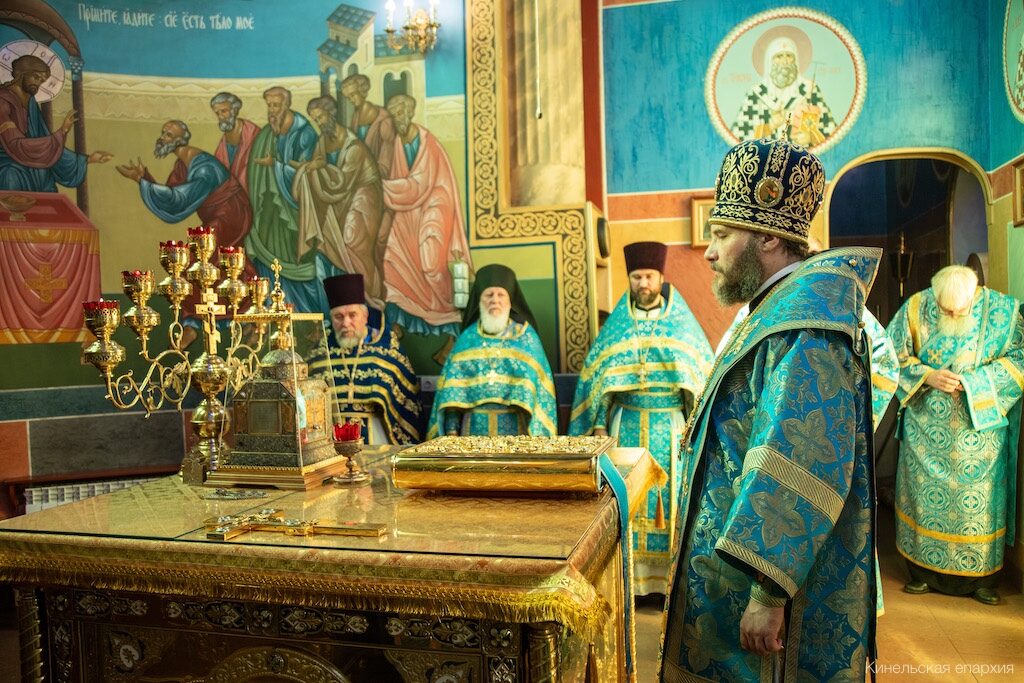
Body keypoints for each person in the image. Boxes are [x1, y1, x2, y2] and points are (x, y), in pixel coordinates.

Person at [661, 137, 878, 682]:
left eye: (721, 234)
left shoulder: (804, 325)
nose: (708, 253)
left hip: (761, 584)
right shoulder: (778, 308)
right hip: (733, 573)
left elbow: (801, 458)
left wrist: (768, 592)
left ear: (769, 237)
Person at [569, 240, 712, 596]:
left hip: (669, 424)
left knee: (671, 498)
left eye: (648, 276)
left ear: (660, 278)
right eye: (636, 277)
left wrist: (694, 424)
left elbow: (699, 379)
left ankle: (666, 584)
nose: (643, 283)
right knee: (625, 501)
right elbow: (597, 379)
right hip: (627, 423)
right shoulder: (618, 325)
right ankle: (631, 583)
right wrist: (598, 423)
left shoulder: (682, 323)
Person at [887, 265, 1024, 605]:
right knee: (924, 501)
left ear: (974, 297)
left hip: (980, 437)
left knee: (977, 509)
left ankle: (983, 579)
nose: (950, 315)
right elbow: (889, 356)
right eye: (944, 309)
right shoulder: (916, 307)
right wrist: (926, 375)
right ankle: (921, 572)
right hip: (925, 433)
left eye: (958, 311)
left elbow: (1020, 358)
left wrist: (976, 383)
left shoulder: (1004, 312)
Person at [116, 120, 253, 347]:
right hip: (218, 216)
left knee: (195, 260)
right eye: (163, 133)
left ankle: (203, 323)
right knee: (217, 264)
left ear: (181, 140)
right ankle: (218, 320)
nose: (163, 138)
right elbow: (171, 197)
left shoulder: (203, 166)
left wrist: (141, 181)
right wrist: (146, 178)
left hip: (231, 214)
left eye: (169, 135)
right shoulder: (182, 164)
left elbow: (178, 200)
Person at [427, 264, 556, 438]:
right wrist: (451, 432)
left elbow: (540, 396)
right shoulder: (467, 340)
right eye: (489, 295)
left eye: (501, 295)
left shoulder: (527, 338)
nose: (495, 300)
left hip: (517, 434)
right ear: (479, 301)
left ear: (510, 301)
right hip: (472, 434)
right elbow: (450, 397)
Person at [381, 94, 472, 337]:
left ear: (410, 112)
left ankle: (450, 326)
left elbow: (419, 184)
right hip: (407, 210)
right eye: (393, 115)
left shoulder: (427, 143)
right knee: (392, 256)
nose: (397, 119)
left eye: (400, 113)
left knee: (431, 262)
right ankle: (398, 325)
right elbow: (400, 180)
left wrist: (383, 187)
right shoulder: (395, 144)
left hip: (435, 205)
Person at [293, 96, 386, 310]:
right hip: (338, 198)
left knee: (353, 240)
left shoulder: (354, 146)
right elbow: (320, 176)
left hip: (363, 194)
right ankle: (345, 302)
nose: (319, 122)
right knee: (328, 240)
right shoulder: (322, 142)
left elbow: (342, 182)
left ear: (331, 113)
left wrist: (319, 168)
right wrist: (309, 169)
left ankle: (370, 298)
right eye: (315, 119)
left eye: (320, 117)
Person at [308, 274, 421, 445]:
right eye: (339, 317)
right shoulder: (319, 352)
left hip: (377, 437)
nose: (346, 323)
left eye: (352, 315)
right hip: (330, 439)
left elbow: (406, 402)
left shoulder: (388, 349)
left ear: (365, 316)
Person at [244, 86, 320, 312]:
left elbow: (309, 174)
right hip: (270, 213)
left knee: (297, 261)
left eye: (276, 105)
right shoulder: (266, 135)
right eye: (269, 105)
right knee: (269, 262)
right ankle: (270, 310)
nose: (272, 110)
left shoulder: (305, 134)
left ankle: (307, 314)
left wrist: (276, 166)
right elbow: (254, 175)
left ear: (287, 105)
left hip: (296, 213)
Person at [0, 54, 111, 191]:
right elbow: (14, 144)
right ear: (22, 74)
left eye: (42, 80)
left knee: (45, 176)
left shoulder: (30, 103)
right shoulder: (3, 101)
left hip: (26, 158)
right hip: (7, 161)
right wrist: (61, 132)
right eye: (36, 77)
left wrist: (87, 159)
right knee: (12, 174)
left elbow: (44, 141)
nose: (38, 84)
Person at [729, 35, 837, 148]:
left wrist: (810, 137)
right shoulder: (756, 93)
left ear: (795, 60)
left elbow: (829, 128)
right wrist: (770, 126)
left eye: (789, 56)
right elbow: (739, 135)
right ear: (770, 61)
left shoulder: (809, 90)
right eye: (779, 56)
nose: (785, 62)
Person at [341, 74, 396, 180]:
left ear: (362, 91)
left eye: (353, 95)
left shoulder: (385, 121)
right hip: (360, 170)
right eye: (348, 97)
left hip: (377, 175)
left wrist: (371, 173)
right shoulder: (356, 115)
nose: (351, 100)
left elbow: (387, 159)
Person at [210, 91, 260, 193]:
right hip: (230, 193)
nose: (220, 117)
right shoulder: (224, 141)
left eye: (224, 111)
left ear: (235, 110)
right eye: (217, 113)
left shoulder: (253, 133)